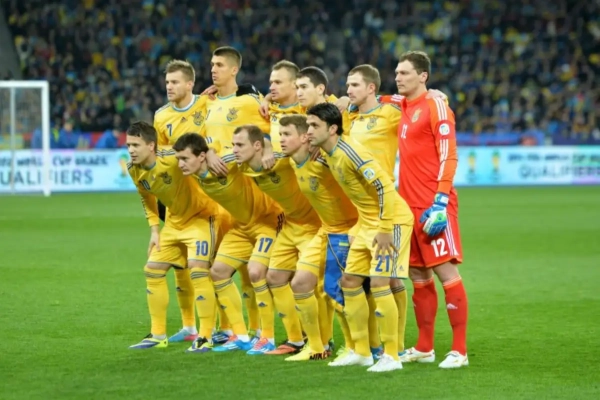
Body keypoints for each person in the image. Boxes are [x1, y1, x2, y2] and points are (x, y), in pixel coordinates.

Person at [306, 103, 413, 373]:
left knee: (379, 283)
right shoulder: (328, 152)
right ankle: (362, 352)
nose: (309, 131)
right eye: (307, 125)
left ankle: (392, 356)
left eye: (314, 126)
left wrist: (385, 228)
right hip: (366, 224)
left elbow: (383, 185)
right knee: (349, 281)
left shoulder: (350, 151)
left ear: (332, 128)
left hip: (391, 221)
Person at [173, 133, 284, 353]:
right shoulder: (197, 172)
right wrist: (210, 151)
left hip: (267, 222)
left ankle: (268, 337)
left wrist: (268, 146)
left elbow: (253, 145)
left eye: (185, 159)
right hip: (241, 227)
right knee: (218, 272)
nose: (180, 164)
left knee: (256, 273)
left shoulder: (226, 162)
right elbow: (208, 141)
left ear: (201, 156)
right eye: (178, 159)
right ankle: (241, 336)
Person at [394, 51, 468, 369]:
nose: (398, 77)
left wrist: (440, 201)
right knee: (417, 275)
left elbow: (449, 155)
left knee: (445, 272)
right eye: (397, 72)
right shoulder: (401, 105)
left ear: (423, 76)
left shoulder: (437, 105)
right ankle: (425, 347)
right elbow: (371, 98)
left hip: (433, 205)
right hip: (407, 206)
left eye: (405, 73)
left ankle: (459, 351)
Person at [125, 122, 222, 352]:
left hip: (202, 216)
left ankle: (205, 335)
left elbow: (207, 143)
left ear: (151, 146)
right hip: (174, 222)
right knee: (152, 269)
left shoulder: (172, 156)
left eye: (136, 145)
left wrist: (212, 152)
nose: (131, 150)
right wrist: (154, 230)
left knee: (198, 269)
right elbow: (146, 198)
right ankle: (158, 334)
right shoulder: (133, 168)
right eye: (128, 145)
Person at [233, 124, 322, 355]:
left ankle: (324, 342)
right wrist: (212, 152)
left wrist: (271, 146)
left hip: (314, 223)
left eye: (239, 145)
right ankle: (296, 340)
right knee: (274, 277)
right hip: (291, 224)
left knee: (318, 284)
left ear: (256, 146)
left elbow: (304, 152)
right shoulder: (241, 164)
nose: (234, 149)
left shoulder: (282, 160)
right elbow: (213, 155)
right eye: (234, 145)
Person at [278, 115, 359, 361]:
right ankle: (316, 348)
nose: (281, 139)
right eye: (280, 135)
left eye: (286, 134)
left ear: (305, 138)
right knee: (300, 283)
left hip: (348, 230)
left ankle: (357, 347)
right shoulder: (293, 161)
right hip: (326, 230)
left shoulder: (325, 161)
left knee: (340, 291)